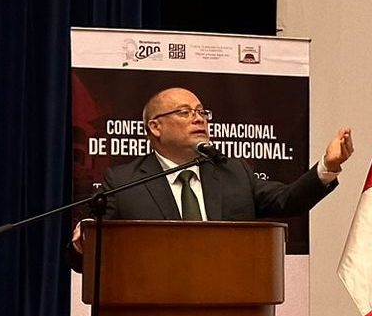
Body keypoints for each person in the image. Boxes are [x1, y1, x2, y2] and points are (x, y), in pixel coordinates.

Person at [70, 87, 354, 259]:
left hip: (227, 315)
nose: (198, 118)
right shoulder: (124, 182)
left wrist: (327, 166)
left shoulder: (231, 172)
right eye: (184, 112)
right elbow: (86, 258)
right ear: (155, 127)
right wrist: (84, 243)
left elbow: (287, 200)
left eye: (201, 112)